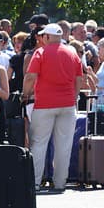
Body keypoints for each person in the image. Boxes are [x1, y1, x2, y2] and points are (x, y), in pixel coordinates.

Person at [21, 23, 83, 193]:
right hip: (68, 105)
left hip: (44, 104)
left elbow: (30, 77)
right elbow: (79, 78)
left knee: (39, 143)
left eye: (42, 36)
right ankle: (60, 182)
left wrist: (25, 94)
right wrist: (74, 97)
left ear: (47, 37)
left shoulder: (40, 52)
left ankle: (34, 183)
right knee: (64, 144)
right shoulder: (72, 52)